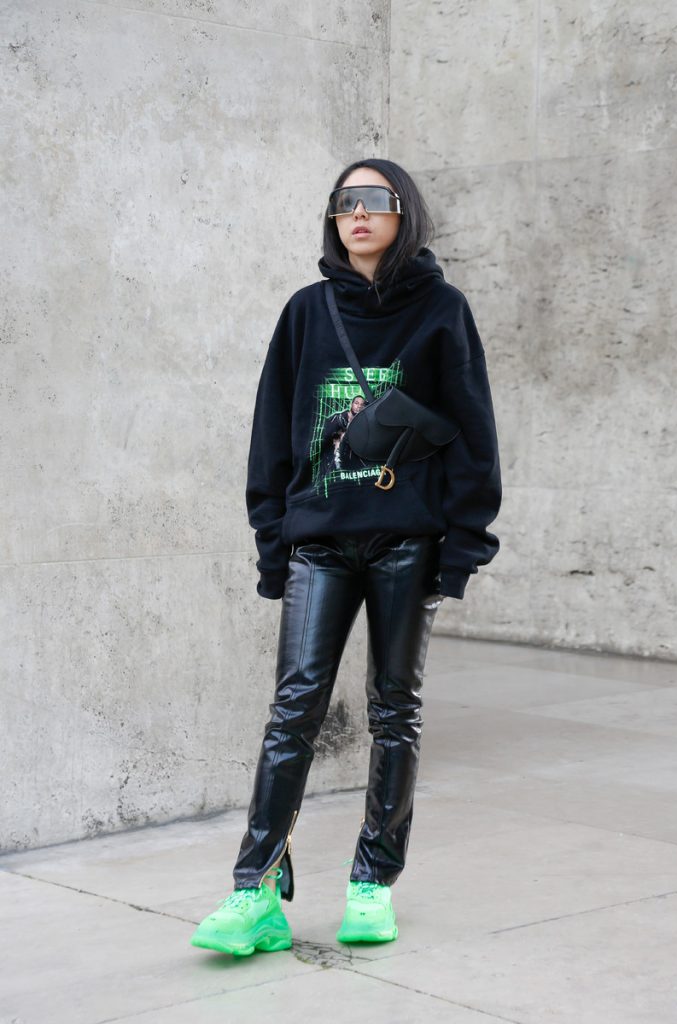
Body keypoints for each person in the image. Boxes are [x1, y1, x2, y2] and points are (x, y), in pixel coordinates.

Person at [190, 158, 502, 958]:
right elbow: (271, 433)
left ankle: (372, 884)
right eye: (343, 202)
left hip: (407, 540)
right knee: (293, 710)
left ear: (405, 213)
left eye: (374, 200)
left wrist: (462, 545)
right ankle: (254, 890)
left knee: (394, 710)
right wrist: (273, 543)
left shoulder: (441, 310)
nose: (356, 214)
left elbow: (472, 431)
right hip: (318, 541)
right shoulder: (306, 311)